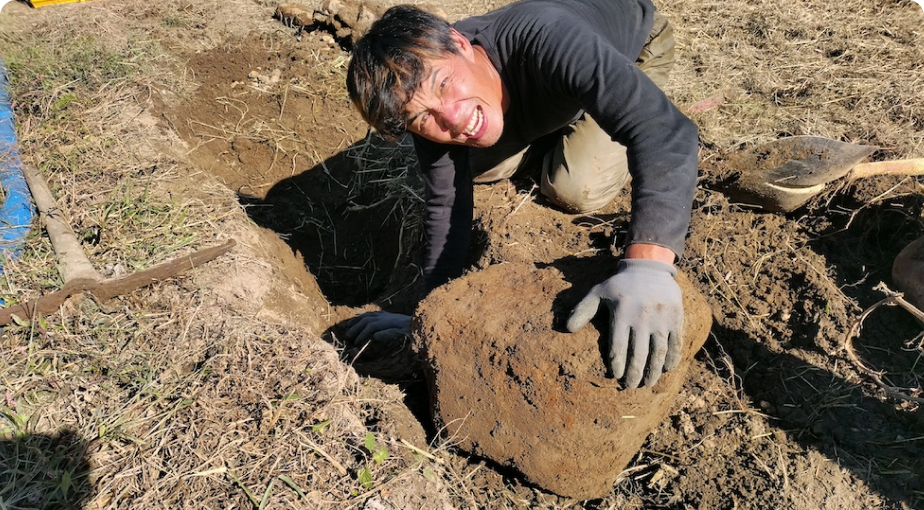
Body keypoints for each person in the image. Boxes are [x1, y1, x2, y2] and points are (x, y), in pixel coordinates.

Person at [343, 0, 699, 388]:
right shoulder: (430, 105)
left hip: (631, 45)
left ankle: (574, 113)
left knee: (576, 186)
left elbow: (663, 131)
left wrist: (648, 267)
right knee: (477, 166)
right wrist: (427, 317)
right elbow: (447, 206)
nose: (451, 117)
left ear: (460, 43)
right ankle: (555, 118)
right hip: (547, 83)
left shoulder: (546, 38)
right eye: (422, 117)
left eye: (444, 84)